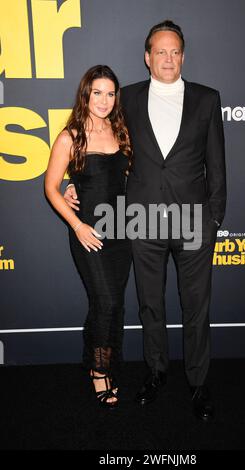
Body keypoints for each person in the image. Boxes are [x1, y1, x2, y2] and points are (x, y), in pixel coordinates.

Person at [64, 20, 226, 420]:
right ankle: (155, 374)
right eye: (160, 51)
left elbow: (217, 166)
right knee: (150, 307)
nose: (167, 58)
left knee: (196, 308)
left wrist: (214, 220)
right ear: (147, 56)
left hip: (193, 223)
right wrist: (73, 184)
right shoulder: (128, 99)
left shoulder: (207, 99)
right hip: (142, 222)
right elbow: (99, 143)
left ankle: (199, 383)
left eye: (175, 51)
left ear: (183, 56)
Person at [45, 65, 132, 408]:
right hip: (89, 233)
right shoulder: (71, 135)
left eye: (111, 93)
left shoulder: (121, 130)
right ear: (85, 94)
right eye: (97, 92)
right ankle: (98, 371)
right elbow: (50, 188)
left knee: (115, 305)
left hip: (122, 232)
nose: (104, 100)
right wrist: (77, 224)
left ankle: (106, 362)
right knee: (106, 302)